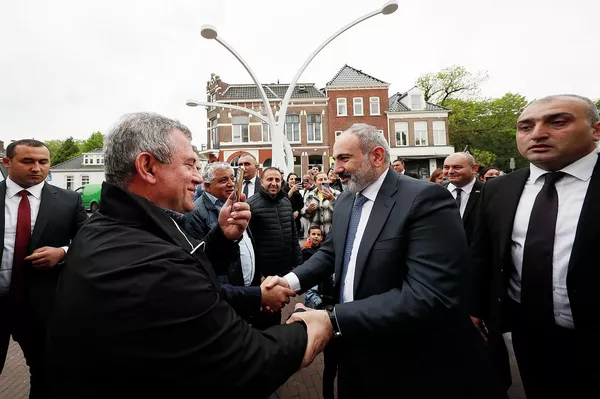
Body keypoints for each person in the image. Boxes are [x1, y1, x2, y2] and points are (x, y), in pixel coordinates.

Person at [45, 112, 324, 398]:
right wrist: (308, 327)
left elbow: (190, 277)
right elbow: (244, 360)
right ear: (148, 167)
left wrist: (222, 236)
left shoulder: (108, 226)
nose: (197, 177)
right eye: (190, 164)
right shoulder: (148, 260)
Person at [267, 123, 494, 398]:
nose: (336, 168)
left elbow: (428, 294)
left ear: (376, 156)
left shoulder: (424, 199)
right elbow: (331, 252)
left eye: (344, 158)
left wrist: (333, 319)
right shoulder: (345, 201)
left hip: (407, 357)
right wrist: (289, 281)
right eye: (334, 159)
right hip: (354, 348)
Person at [470, 95, 600, 399]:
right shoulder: (498, 189)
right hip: (528, 336)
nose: (538, 133)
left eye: (557, 122)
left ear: (596, 130)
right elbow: (482, 255)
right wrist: (474, 309)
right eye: (525, 126)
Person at [0, 139, 87, 397]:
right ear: (7, 163)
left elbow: (89, 241)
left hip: (41, 305)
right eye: (27, 161)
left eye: (43, 162)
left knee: (46, 373)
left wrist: (62, 253)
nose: (37, 167)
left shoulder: (69, 201)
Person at [442, 152, 483, 246]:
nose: (450, 171)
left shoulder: (488, 192)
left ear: (474, 168)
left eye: (457, 167)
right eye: (446, 167)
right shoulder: (434, 192)